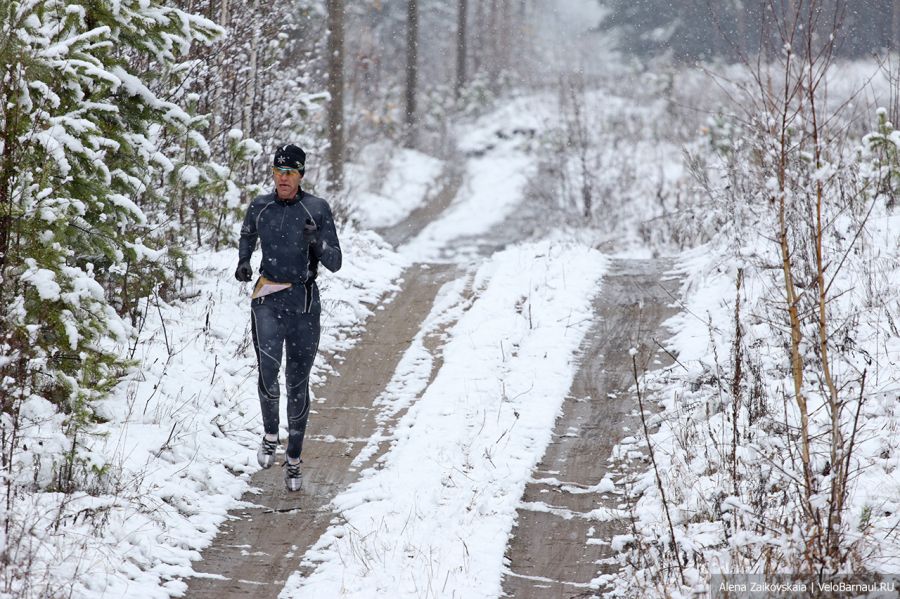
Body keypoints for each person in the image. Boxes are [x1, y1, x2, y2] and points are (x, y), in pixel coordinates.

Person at [234, 144, 342, 492]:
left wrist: (318, 244)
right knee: (267, 368)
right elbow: (247, 233)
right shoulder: (260, 206)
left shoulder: (317, 209)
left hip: (304, 303)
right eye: (279, 171)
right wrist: (244, 261)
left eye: (290, 172)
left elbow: (336, 262)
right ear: (273, 174)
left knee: (297, 382)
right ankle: (269, 433)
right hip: (267, 296)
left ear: (300, 176)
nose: (283, 178)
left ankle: (293, 457)